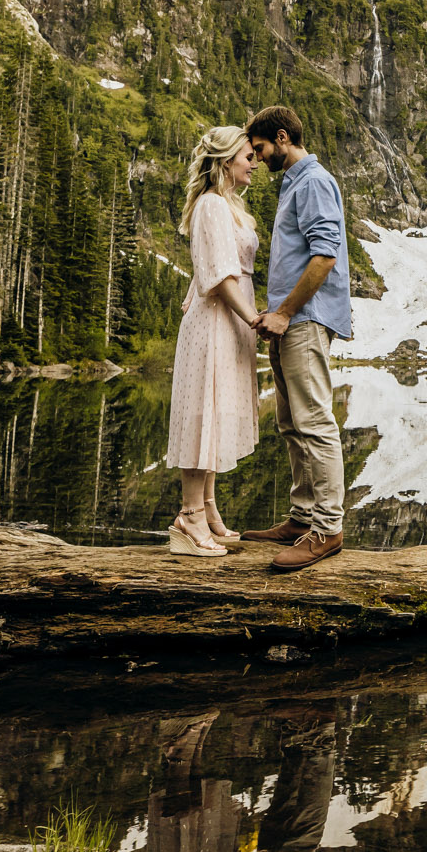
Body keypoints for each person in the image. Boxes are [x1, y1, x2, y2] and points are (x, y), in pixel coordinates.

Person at [240, 104, 355, 571]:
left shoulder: (312, 181)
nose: (258, 158)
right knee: (291, 423)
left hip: (304, 320)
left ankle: (327, 530)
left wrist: (285, 313)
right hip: (291, 319)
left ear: (283, 138)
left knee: (315, 423)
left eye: (261, 148)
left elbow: (325, 256)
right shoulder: (294, 182)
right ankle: (302, 516)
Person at [166, 126, 263, 557]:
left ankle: (207, 507)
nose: (255, 162)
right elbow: (221, 275)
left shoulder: (228, 207)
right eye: (247, 156)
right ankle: (189, 517)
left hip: (229, 318)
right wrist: (253, 319)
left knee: (216, 412)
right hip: (220, 317)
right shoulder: (211, 205)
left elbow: (214, 266)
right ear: (225, 161)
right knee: (202, 412)